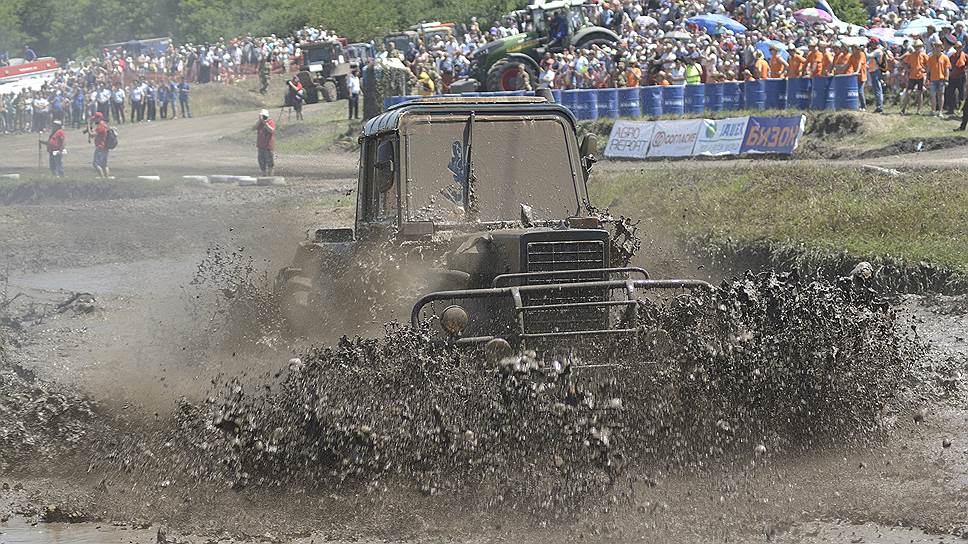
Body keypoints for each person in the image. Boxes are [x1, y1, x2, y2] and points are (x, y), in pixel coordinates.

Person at [900, 41, 929, 115]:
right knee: (908, 93)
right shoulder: (910, 55)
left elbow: (928, 65)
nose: (917, 48)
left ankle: (919, 110)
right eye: (916, 47)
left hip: (920, 76)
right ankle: (903, 108)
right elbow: (904, 63)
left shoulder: (924, 55)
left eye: (919, 46)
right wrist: (907, 69)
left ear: (921, 47)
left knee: (919, 93)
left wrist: (925, 70)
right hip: (912, 76)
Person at [927, 42, 950, 117]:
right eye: (936, 46)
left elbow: (947, 69)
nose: (937, 48)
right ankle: (933, 110)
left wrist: (946, 79)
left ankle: (940, 111)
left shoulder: (945, 57)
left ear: (941, 48)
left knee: (941, 95)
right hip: (933, 79)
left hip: (941, 79)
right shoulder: (931, 57)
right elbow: (928, 69)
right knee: (933, 95)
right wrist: (927, 79)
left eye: (938, 46)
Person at [944, 42, 966, 116]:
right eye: (957, 47)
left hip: (961, 77)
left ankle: (962, 110)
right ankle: (951, 109)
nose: (958, 49)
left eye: (960, 47)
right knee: (951, 93)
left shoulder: (965, 56)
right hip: (953, 77)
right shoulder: (952, 56)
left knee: (961, 94)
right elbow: (949, 66)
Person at [866, 41, 887, 113]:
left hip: (876, 71)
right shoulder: (875, 50)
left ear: (875, 44)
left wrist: (864, 50)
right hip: (873, 71)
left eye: (872, 43)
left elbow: (868, 56)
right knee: (876, 89)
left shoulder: (877, 51)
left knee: (877, 89)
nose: (870, 45)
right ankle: (878, 106)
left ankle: (879, 107)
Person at [847, 44, 868, 111]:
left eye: (853, 48)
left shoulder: (861, 54)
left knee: (860, 91)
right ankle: (858, 105)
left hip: (862, 75)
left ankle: (863, 106)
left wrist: (857, 71)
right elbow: (847, 65)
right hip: (855, 77)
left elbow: (860, 63)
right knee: (856, 91)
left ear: (856, 48)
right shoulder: (852, 56)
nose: (852, 50)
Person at [255, 109, 275, 176]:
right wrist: (260, 121)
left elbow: (271, 130)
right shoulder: (259, 123)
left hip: (268, 146)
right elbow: (253, 128)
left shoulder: (270, 122)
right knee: (261, 161)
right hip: (260, 146)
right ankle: (263, 174)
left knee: (270, 161)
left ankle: (270, 175)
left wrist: (265, 122)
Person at [89, 111, 110, 178]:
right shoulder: (105, 125)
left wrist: (88, 125)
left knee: (96, 164)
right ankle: (106, 178)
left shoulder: (100, 127)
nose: (94, 119)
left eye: (95, 118)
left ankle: (102, 178)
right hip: (105, 147)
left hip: (100, 147)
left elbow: (92, 135)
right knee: (104, 165)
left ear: (99, 118)